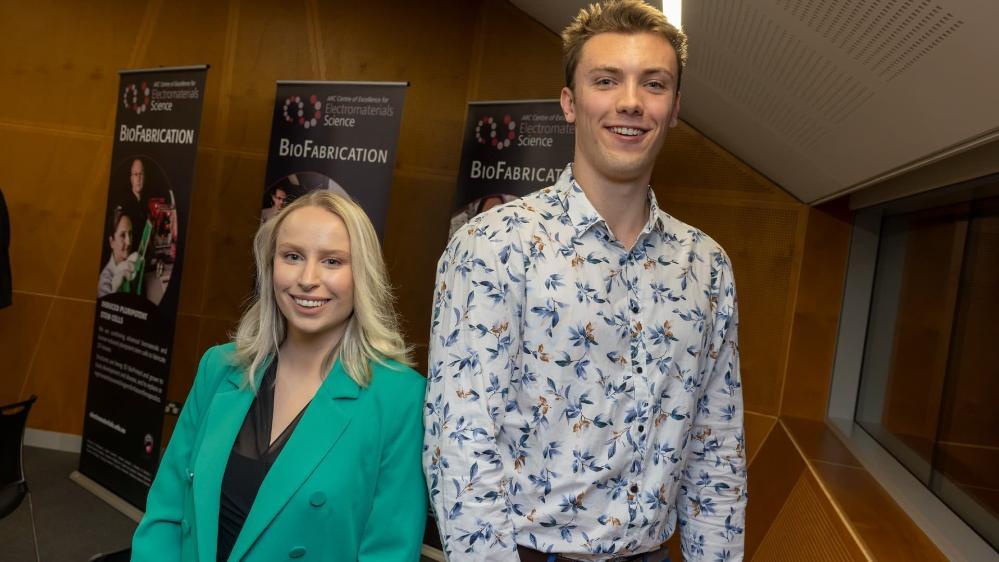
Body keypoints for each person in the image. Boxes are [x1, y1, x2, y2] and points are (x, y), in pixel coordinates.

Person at [424, 1, 746, 561]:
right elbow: (462, 444)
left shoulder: (706, 266)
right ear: (570, 103)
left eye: (654, 84)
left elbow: (715, 452)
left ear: (673, 109)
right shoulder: (495, 246)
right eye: (606, 80)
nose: (630, 102)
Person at [133, 191, 428, 561]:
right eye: (292, 256)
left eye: (332, 261)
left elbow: (389, 551)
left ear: (362, 275)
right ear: (269, 266)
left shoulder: (400, 397)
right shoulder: (220, 367)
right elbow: (166, 512)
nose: (307, 279)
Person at [97, 207, 138, 298]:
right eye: (122, 235)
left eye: (130, 234)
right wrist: (116, 289)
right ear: (112, 242)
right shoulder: (104, 283)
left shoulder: (130, 263)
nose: (129, 242)